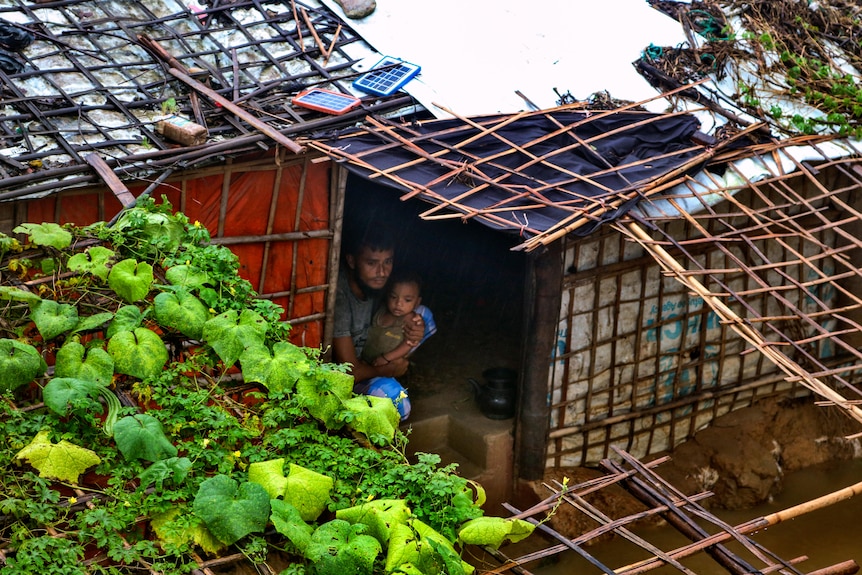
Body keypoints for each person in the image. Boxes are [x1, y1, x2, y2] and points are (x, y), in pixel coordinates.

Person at [332, 227, 428, 420]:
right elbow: (349, 371)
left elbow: (402, 304)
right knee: (398, 404)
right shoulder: (339, 299)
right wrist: (385, 369)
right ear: (351, 261)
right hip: (344, 377)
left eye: (388, 262)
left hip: (373, 353)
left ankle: (394, 359)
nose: (382, 272)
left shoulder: (376, 280)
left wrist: (415, 326)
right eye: (371, 263)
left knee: (424, 315)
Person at [360, 270, 436, 367]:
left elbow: (408, 344)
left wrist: (386, 358)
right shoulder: (379, 310)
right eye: (393, 297)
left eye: (407, 300)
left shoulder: (412, 320)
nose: (399, 304)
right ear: (387, 296)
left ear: (417, 302)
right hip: (362, 360)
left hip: (384, 364)